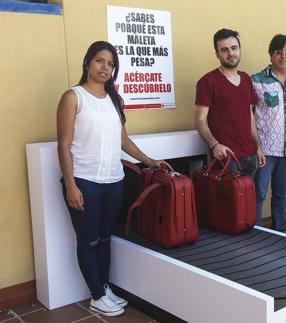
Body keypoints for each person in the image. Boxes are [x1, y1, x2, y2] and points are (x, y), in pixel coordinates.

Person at [57, 41, 172, 316]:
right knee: (88, 241)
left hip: (114, 181)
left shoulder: (114, 99)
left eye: (110, 64)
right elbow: (63, 144)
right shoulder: (73, 97)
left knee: (106, 238)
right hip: (84, 180)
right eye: (99, 61)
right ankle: (96, 295)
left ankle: (104, 287)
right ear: (88, 62)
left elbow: (123, 140)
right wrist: (70, 184)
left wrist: (149, 161)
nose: (105, 67)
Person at [195, 28, 265, 176]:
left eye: (234, 48)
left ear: (240, 49)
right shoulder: (207, 81)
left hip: (251, 156)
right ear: (217, 54)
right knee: (227, 200)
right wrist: (214, 145)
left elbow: (250, 116)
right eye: (224, 50)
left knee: (248, 199)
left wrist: (258, 146)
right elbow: (200, 121)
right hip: (226, 158)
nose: (231, 53)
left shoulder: (246, 79)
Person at [251, 34, 286, 231]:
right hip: (264, 148)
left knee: (281, 194)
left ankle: (279, 233)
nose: (284, 56)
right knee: (259, 194)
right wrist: (256, 146)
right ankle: (256, 233)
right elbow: (250, 116)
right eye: (279, 52)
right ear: (271, 53)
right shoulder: (256, 80)